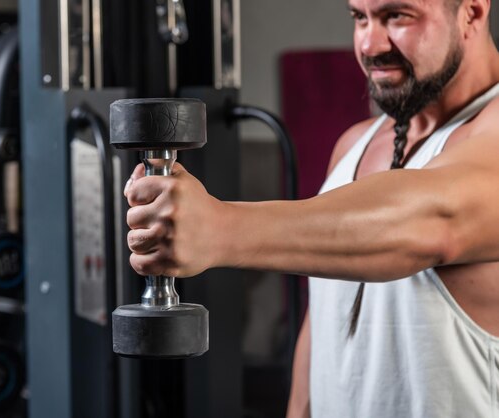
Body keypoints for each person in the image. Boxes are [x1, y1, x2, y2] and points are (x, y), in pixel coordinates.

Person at [123, 0, 499, 416]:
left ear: (473, 12)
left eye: (397, 16)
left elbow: (432, 220)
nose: (370, 44)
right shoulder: (354, 144)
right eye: (360, 18)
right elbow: (323, 321)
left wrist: (219, 228)